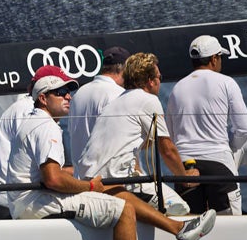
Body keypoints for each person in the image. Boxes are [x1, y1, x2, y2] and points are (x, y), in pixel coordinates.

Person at [6, 65, 216, 240]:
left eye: (70, 91)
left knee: (116, 193)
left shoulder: (31, 121)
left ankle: (178, 228)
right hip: (37, 204)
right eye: (61, 91)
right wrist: (89, 186)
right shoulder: (46, 126)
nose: (68, 96)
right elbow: (52, 178)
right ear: (43, 98)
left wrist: (93, 186)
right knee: (123, 209)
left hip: (28, 201)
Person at [70, 48, 190, 215]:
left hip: (89, 176)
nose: (160, 82)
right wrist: (185, 179)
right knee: (180, 207)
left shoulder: (118, 99)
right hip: (114, 178)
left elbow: (125, 141)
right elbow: (167, 149)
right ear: (150, 81)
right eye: (159, 78)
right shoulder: (148, 100)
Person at [166, 35, 247, 215]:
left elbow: (171, 135)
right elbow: (244, 128)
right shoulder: (226, 82)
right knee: (230, 226)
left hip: (185, 167)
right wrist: (230, 146)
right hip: (219, 162)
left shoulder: (177, 88)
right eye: (220, 57)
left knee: (191, 225)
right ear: (214, 59)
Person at [0, 80, 39, 219]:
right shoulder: (34, 110)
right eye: (61, 92)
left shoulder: (15, 108)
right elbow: (50, 174)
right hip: (10, 196)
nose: (68, 97)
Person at [69, 46, 130, 170]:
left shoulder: (78, 94)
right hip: (107, 179)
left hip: (81, 177)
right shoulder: (118, 94)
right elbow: (121, 141)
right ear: (124, 69)